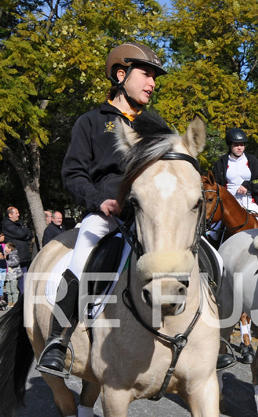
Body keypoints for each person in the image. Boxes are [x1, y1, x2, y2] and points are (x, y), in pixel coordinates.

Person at [37, 41, 166, 376]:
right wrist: (99, 200)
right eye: (146, 75)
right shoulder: (91, 122)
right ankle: (57, 340)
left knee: (199, 251)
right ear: (121, 74)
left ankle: (212, 333)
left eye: (155, 77)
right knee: (83, 252)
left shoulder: (157, 125)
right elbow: (72, 173)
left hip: (151, 213)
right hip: (109, 213)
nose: (152, 83)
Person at [211, 128, 258, 218]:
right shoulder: (221, 163)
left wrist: (247, 185)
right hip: (228, 203)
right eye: (236, 145)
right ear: (230, 145)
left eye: (242, 145)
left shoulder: (252, 160)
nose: (239, 148)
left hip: (250, 202)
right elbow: (215, 184)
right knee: (212, 231)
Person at [1, 206, 32, 297]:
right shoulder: (8, 225)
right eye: (16, 213)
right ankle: (21, 295)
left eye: (18, 213)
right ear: (10, 215)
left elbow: (28, 234)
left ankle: (25, 293)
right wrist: (24, 234)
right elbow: (21, 234)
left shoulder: (19, 224)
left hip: (23, 255)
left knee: (24, 274)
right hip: (16, 256)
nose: (18, 215)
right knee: (19, 277)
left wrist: (25, 234)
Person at [4, 242, 21, 307]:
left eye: (8, 248)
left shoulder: (14, 255)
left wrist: (6, 263)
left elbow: (16, 262)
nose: (7, 249)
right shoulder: (6, 255)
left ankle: (15, 301)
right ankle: (10, 301)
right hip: (8, 275)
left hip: (13, 274)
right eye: (6, 248)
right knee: (8, 289)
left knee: (14, 289)